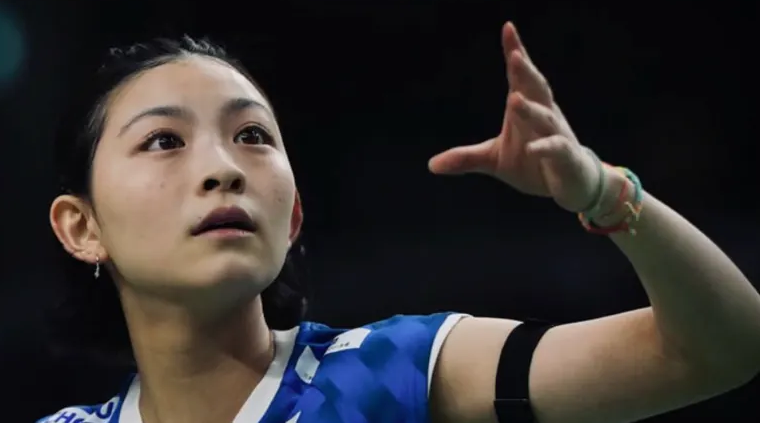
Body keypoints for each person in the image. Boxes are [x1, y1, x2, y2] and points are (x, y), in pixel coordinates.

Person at [38, 23, 760, 423]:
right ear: (81, 227)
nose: (223, 168)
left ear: (292, 217)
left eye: (252, 135)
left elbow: (720, 349)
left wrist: (604, 192)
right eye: (164, 140)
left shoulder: (394, 371)